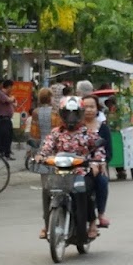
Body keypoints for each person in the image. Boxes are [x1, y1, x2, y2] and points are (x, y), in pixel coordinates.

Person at [36, 95, 104, 242]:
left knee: (84, 192)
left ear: (80, 114)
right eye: (67, 113)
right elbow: (46, 147)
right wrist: (41, 156)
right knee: (46, 190)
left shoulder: (87, 133)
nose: (71, 117)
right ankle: (47, 225)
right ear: (62, 114)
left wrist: (95, 163)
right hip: (59, 172)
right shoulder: (56, 133)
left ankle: (91, 223)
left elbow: (98, 149)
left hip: (81, 172)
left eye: (75, 113)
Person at [81, 95, 113, 228]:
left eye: (92, 106)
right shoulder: (75, 127)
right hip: (78, 166)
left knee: (102, 181)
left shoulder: (103, 128)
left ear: (97, 109)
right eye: (85, 107)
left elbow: (108, 152)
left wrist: (101, 163)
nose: (89, 110)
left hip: (98, 166)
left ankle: (100, 214)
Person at [0, 81, 15, 157]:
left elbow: (14, 103)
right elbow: (9, 100)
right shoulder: (0, 94)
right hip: (3, 119)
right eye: (11, 87)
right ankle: (2, 152)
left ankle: (7, 153)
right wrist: (12, 98)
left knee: (9, 136)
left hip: (7, 119)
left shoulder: (6, 95)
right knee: (4, 136)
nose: (12, 89)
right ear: (8, 87)